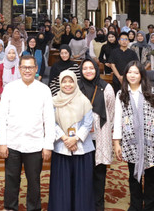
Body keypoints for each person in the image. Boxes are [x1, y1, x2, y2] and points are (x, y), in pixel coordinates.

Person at [0, 55, 55, 211]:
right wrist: (2, 142)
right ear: (19, 69)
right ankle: (10, 208)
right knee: (11, 179)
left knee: (34, 181)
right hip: (13, 143)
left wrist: (48, 145)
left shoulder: (44, 89)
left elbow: (49, 119)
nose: (27, 70)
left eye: (30, 67)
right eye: (24, 67)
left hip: (35, 144)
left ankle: (33, 208)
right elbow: (1, 117)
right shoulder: (10, 88)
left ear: (36, 69)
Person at [113, 61, 154, 211]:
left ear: (142, 75)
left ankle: (150, 206)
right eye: (129, 72)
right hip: (131, 143)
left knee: (152, 177)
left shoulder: (151, 91)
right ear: (125, 75)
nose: (132, 75)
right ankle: (136, 205)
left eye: (136, 72)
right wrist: (117, 142)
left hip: (151, 142)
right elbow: (117, 119)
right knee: (133, 176)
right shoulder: (121, 94)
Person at [48, 69, 94, 211]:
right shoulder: (54, 101)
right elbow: (51, 122)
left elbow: (88, 123)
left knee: (82, 184)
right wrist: (65, 138)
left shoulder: (84, 100)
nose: (67, 85)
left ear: (75, 82)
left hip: (82, 149)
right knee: (62, 183)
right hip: (62, 148)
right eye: (64, 81)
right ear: (60, 83)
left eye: (71, 81)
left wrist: (75, 139)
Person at [79, 59, 115, 211]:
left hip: (100, 136)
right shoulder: (77, 87)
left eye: (91, 68)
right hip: (82, 137)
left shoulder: (106, 87)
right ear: (81, 71)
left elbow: (111, 112)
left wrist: (107, 130)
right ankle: (84, 204)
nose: (88, 71)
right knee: (83, 172)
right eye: (85, 68)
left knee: (99, 173)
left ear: (96, 69)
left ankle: (98, 205)